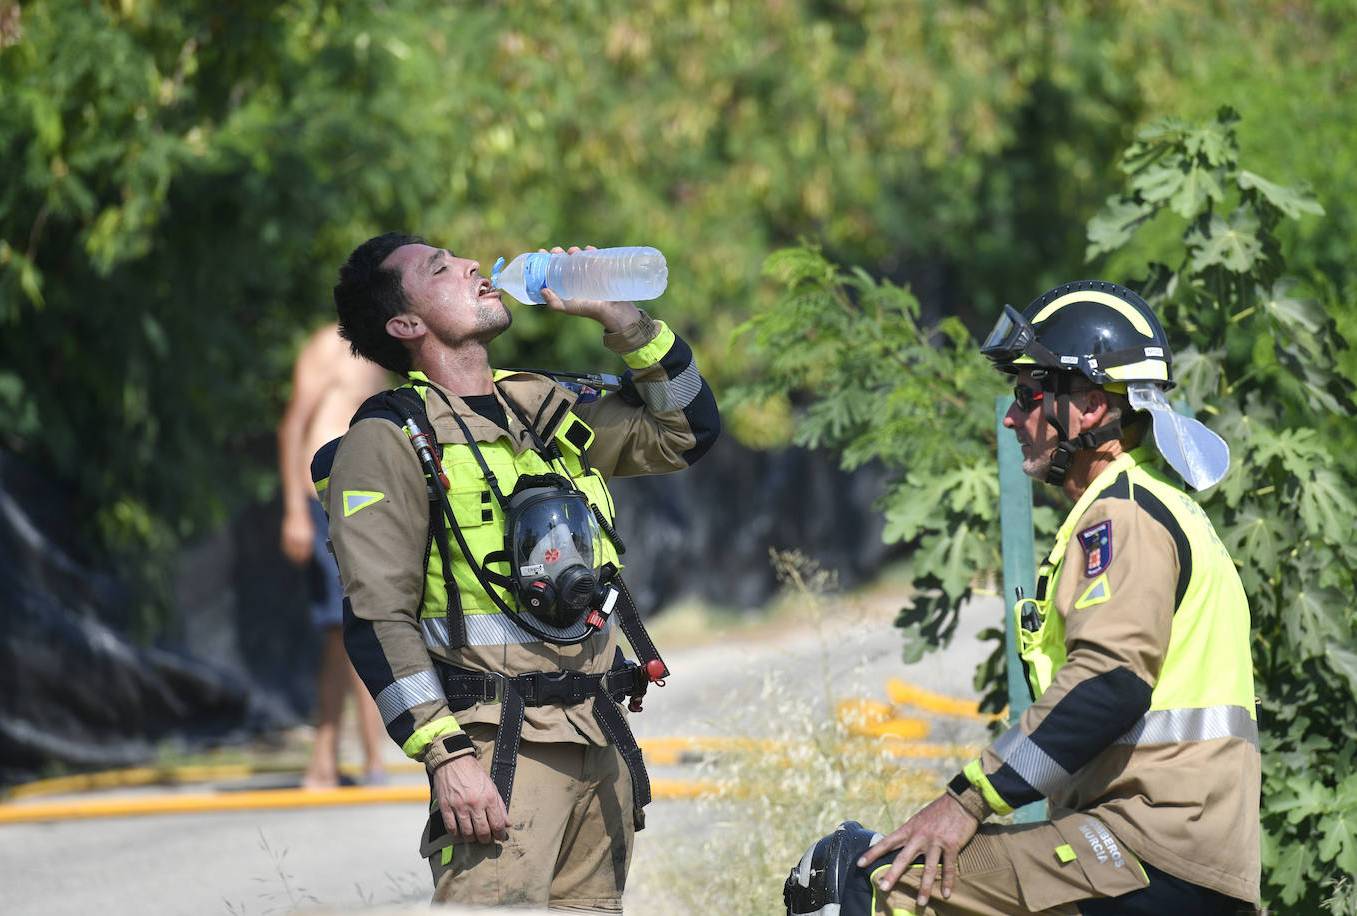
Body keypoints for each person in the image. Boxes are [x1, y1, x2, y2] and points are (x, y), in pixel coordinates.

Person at [784, 280, 1259, 915]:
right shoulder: (1148, 507)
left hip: (1152, 851)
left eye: (1030, 394)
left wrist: (964, 804)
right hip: (1161, 849)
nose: (1012, 417)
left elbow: (1110, 681)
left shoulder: (1122, 519)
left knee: (851, 878)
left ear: (1091, 406)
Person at [317, 234, 719, 910]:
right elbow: (376, 617)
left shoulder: (544, 407)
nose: (473, 265)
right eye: (442, 269)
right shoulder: (387, 442)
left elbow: (686, 431)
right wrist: (445, 756)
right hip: (497, 755)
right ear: (406, 325)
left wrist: (627, 325)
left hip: (599, 736)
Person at [277, 323, 391, 789]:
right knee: (352, 626)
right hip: (320, 503)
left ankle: (347, 759)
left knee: (354, 626)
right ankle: (352, 759)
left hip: (357, 503)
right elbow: (292, 427)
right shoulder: (330, 346)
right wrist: (293, 512)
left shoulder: (378, 356)